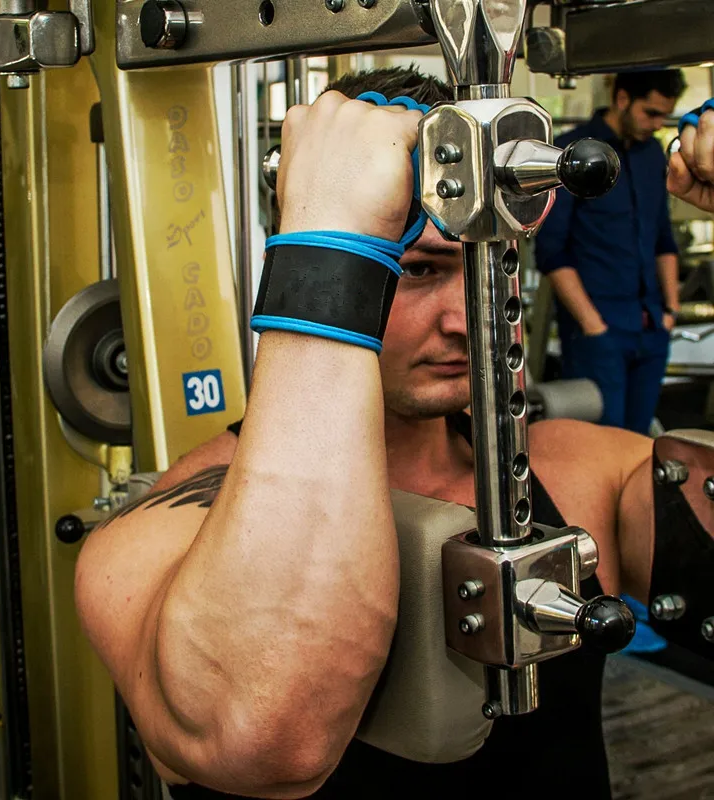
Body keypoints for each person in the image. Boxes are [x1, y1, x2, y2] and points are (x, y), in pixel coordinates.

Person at [74, 68, 679, 799]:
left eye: (490, 269)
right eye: (419, 269)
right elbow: (262, 738)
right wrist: (330, 240)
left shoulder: (588, 469)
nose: (469, 321)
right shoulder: (156, 534)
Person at [535, 70, 686, 435]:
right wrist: (593, 326)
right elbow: (551, 252)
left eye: (665, 115)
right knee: (602, 442)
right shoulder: (572, 153)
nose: (658, 124)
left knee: (639, 442)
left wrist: (671, 310)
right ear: (622, 99)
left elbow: (663, 238)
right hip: (600, 332)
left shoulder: (652, 154)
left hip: (651, 326)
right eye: (651, 113)